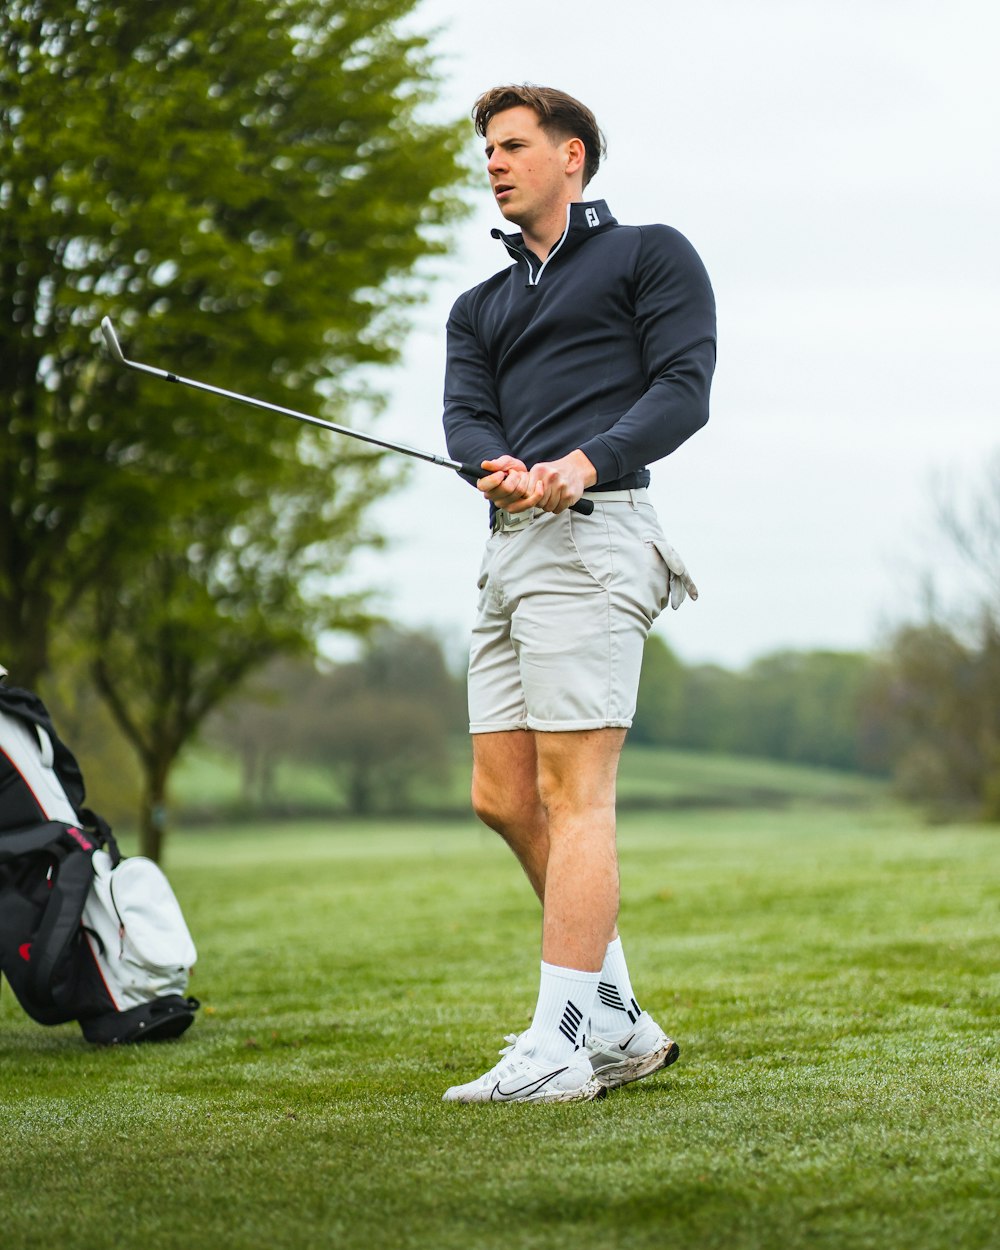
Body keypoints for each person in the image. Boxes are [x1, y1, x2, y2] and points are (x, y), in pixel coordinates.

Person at [441, 84, 716, 1103]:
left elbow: (683, 387)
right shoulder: (479, 306)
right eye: (487, 150)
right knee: (503, 795)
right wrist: (495, 464)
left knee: (574, 791)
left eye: (512, 146)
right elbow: (464, 413)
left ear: (572, 155)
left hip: (598, 541)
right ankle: (616, 1019)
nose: (494, 163)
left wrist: (584, 461)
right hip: (510, 548)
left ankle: (558, 1041)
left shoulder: (649, 254)